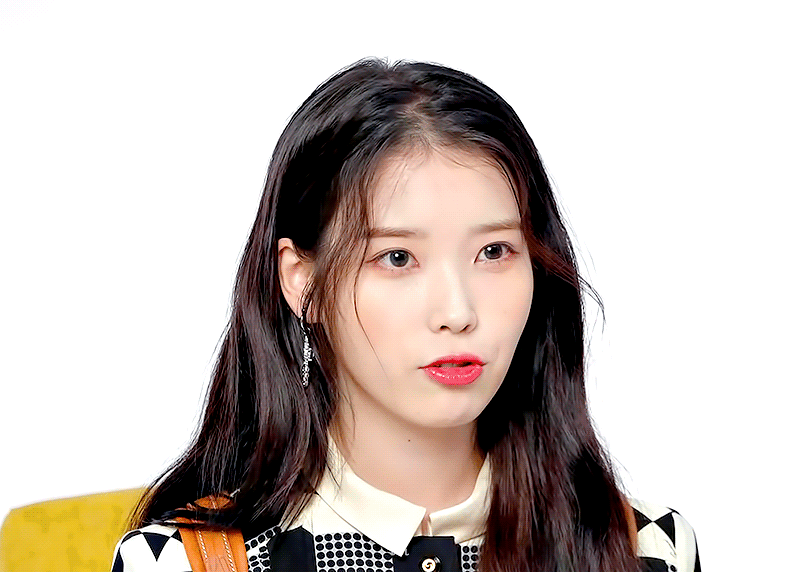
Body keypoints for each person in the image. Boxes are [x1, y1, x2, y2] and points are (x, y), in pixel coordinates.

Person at [111, 59, 700, 572]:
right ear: (302, 281)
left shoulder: (647, 549)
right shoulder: (187, 562)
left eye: (494, 252)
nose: (457, 312)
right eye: (397, 258)